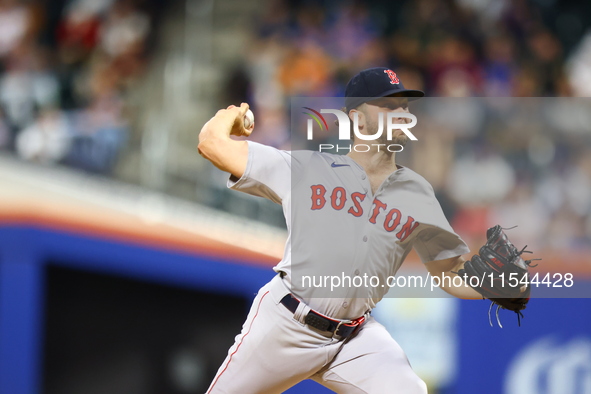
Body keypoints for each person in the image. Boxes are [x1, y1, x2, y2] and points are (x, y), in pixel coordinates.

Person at [198, 67, 481, 393]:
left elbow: (449, 271)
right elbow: (211, 143)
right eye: (389, 106)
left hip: (355, 339)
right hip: (287, 323)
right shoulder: (307, 169)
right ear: (358, 120)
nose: (403, 113)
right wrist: (230, 114)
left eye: (405, 105)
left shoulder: (418, 195)